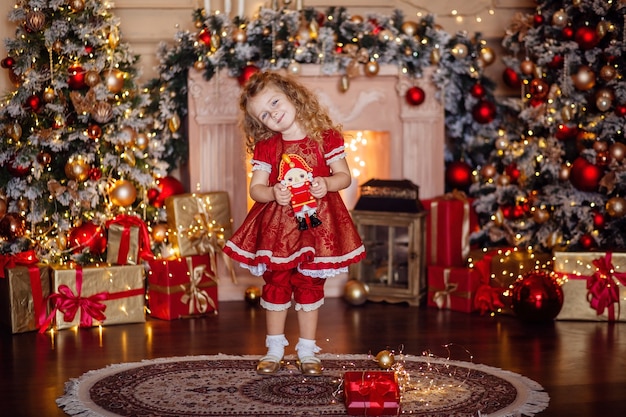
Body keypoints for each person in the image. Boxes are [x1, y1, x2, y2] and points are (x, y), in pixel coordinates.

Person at [223, 71, 366, 376]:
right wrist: (272, 191)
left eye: (275, 102)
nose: (273, 113)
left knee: (310, 283)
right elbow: (256, 189)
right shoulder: (267, 148)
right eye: (264, 113)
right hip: (279, 229)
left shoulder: (325, 137)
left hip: (316, 224)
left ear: (292, 95)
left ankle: (307, 350)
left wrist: (326, 184)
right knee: (277, 283)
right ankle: (274, 349)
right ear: (260, 123)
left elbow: (344, 176)